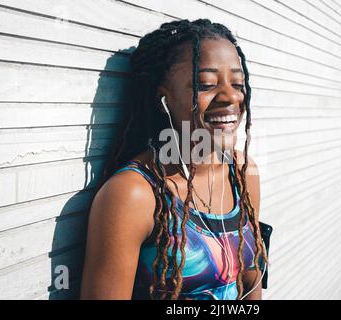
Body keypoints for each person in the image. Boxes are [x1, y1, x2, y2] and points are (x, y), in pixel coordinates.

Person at [80, 18, 268, 300]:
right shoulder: (134, 194)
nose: (230, 96)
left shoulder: (243, 173)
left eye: (238, 83)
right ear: (162, 98)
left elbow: (251, 285)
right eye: (206, 84)